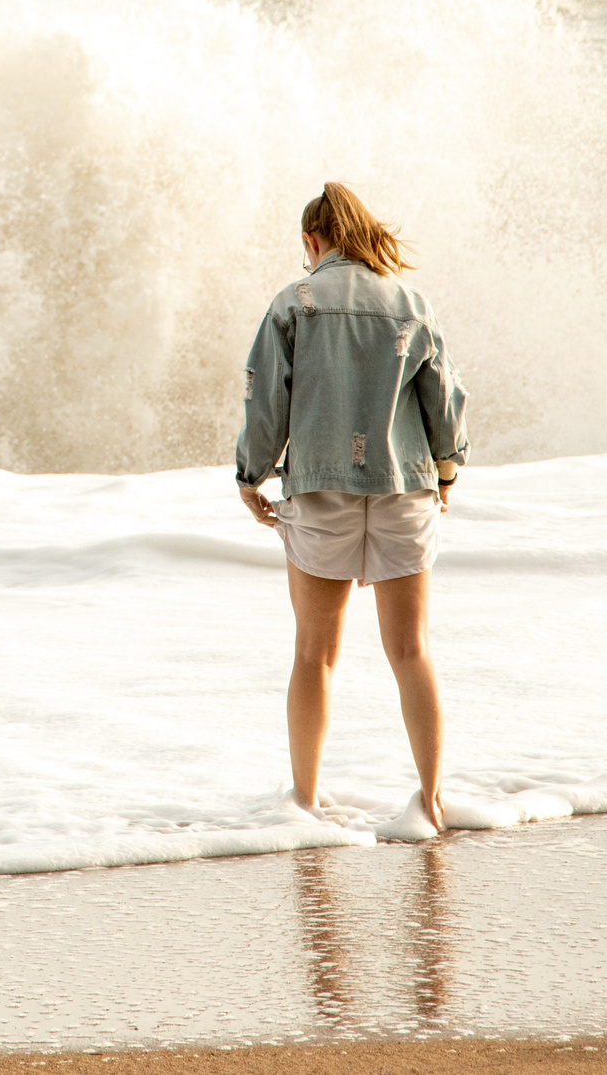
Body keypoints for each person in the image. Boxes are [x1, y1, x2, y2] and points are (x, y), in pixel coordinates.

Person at [236, 181, 468, 834]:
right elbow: (444, 400)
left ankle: (305, 802)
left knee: (315, 653)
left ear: (313, 240)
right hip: (405, 488)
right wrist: (447, 471)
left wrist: (251, 477)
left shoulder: (294, 302)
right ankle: (430, 799)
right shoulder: (409, 302)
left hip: (319, 490)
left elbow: (265, 401)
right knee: (411, 649)